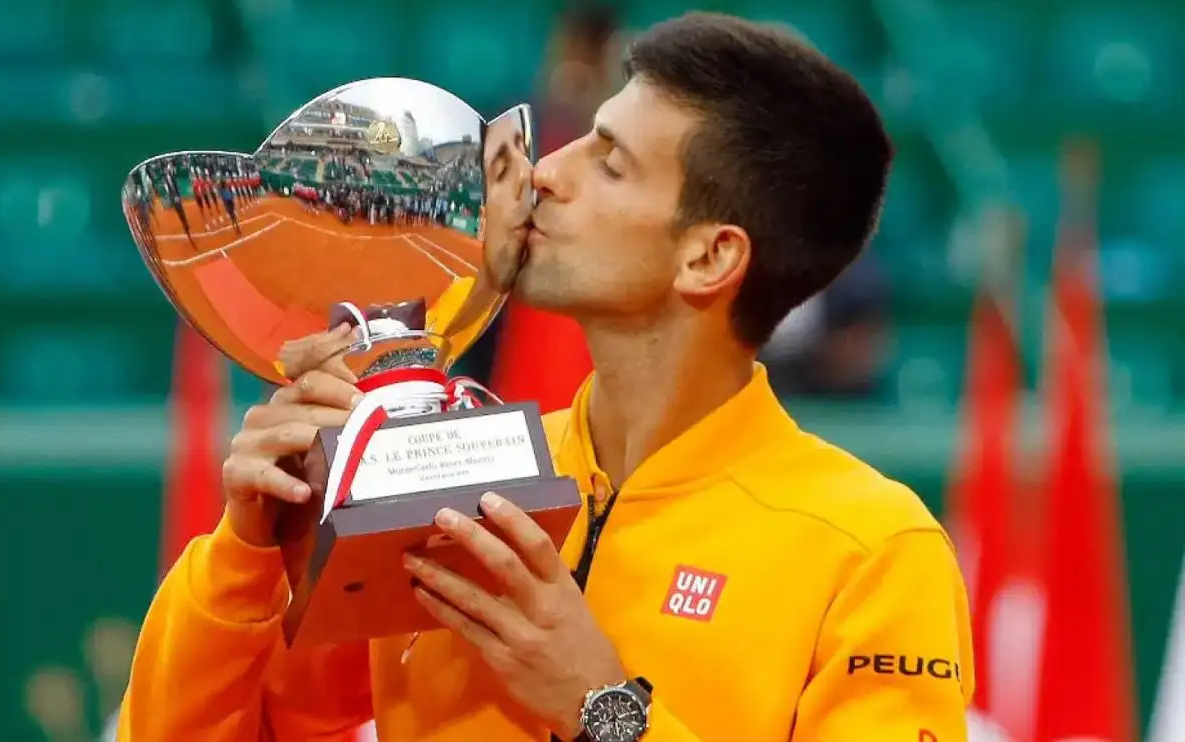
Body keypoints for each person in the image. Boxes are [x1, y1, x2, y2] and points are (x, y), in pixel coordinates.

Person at [119, 12, 974, 742]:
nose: (545, 174)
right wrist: (249, 548)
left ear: (710, 257)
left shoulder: (869, 551)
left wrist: (601, 708)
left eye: (607, 163)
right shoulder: (442, 471)